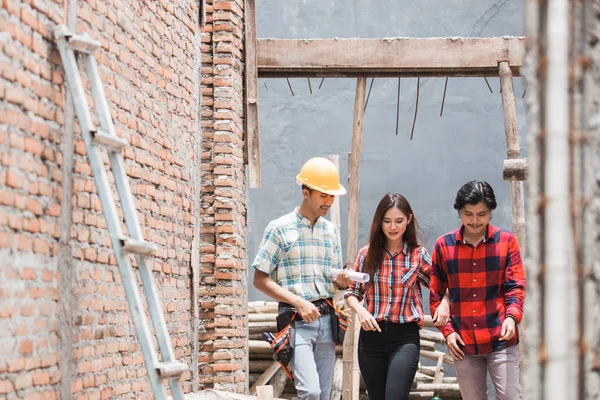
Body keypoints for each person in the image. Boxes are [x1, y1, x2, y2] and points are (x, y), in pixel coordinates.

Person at [252, 157, 352, 400]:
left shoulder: (330, 232)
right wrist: (298, 302)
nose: (329, 202)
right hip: (296, 321)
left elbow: (331, 281)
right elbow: (259, 279)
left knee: (324, 395)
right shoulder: (280, 228)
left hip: (327, 321)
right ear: (306, 193)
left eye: (332, 196)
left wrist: (341, 282)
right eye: (323, 195)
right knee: (310, 392)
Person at [344, 193, 450, 400]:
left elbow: (444, 286)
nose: (393, 227)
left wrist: (445, 303)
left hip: (404, 338)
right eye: (387, 221)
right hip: (371, 337)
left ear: (409, 220)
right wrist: (361, 311)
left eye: (399, 221)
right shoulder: (366, 254)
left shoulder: (418, 255)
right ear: (379, 222)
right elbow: (352, 292)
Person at [429, 180, 526, 400]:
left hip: (501, 338)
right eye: (468, 214)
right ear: (459, 212)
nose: (474, 221)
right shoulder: (444, 246)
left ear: (491, 212)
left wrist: (512, 317)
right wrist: (448, 332)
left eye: (481, 214)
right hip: (463, 345)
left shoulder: (507, 241)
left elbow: (515, 286)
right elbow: (436, 294)